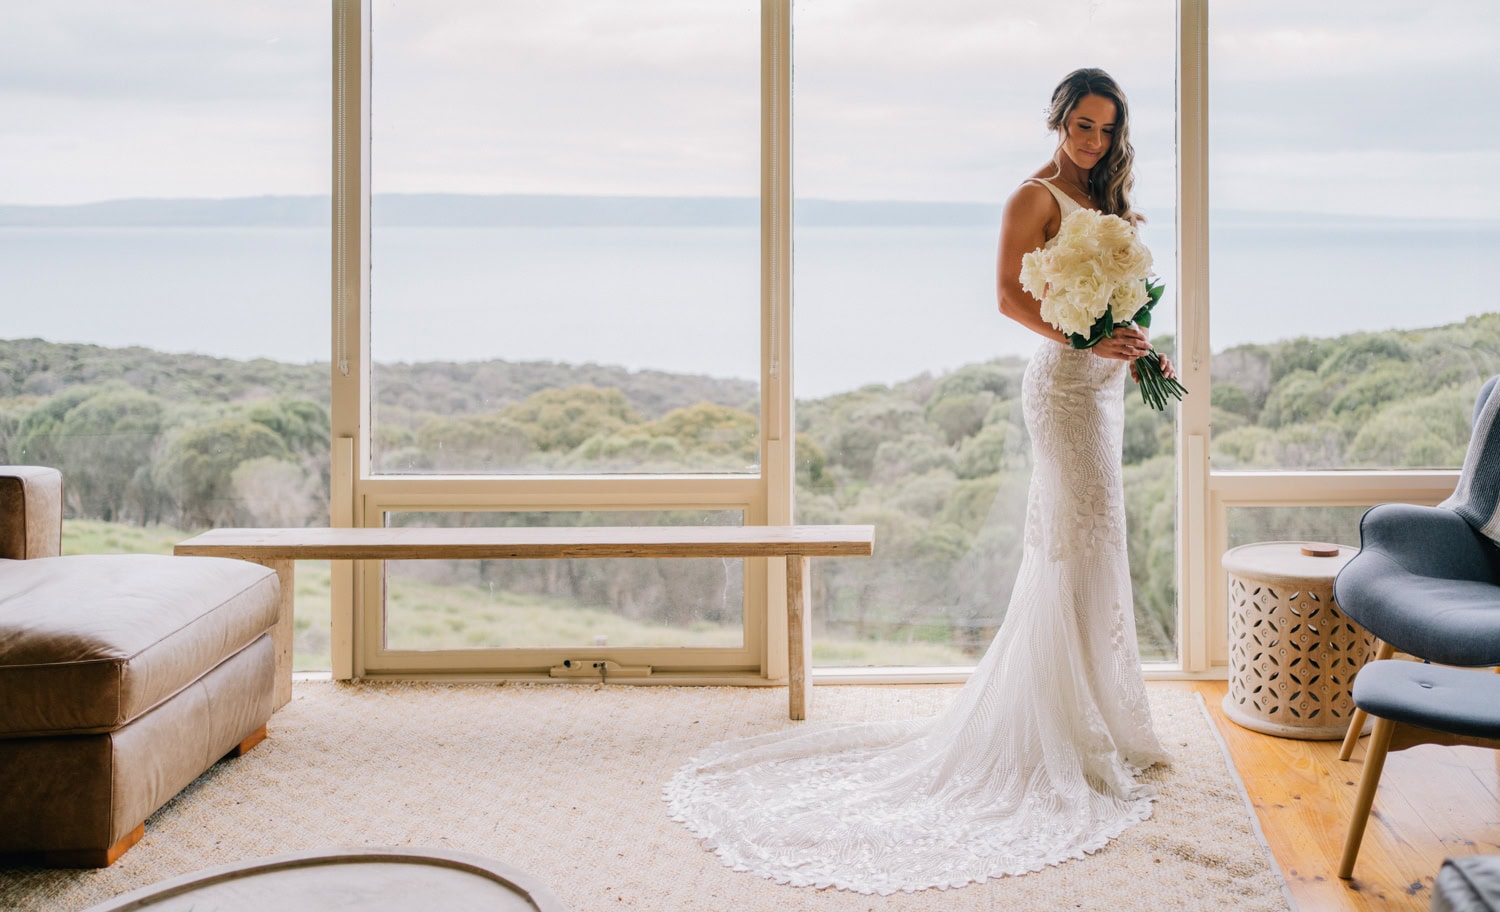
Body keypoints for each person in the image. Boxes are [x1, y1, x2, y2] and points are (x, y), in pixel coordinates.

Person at [663, 68, 1168, 896]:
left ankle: (1101, 715)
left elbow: (1114, 301)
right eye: (1083, 125)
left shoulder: (1104, 197)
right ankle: (1058, 727)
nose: (1094, 141)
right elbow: (1008, 297)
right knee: (1070, 546)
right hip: (1064, 390)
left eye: (1107, 129)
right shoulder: (1033, 196)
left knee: (1096, 543)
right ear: (1057, 121)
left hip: (1104, 389)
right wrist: (1087, 339)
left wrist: (1137, 343)